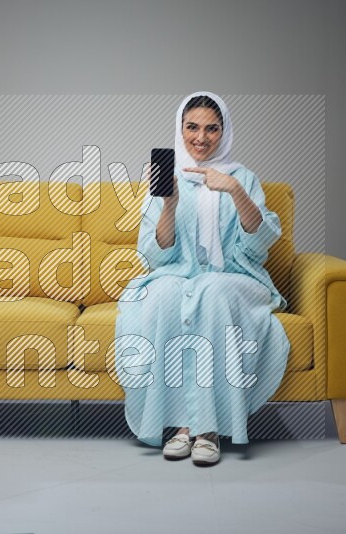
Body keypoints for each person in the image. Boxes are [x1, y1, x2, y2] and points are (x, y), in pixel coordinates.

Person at [114, 91, 291, 466]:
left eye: (212, 129)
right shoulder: (169, 178)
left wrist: (235, 191)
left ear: (224, 133)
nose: (201, 138)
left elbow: (258, 247)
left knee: (210, 290)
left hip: (235, 277)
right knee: (163, 294)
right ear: (180, 129)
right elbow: (157, 256)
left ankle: (207, 430)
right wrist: (170, 204)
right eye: (192, 127)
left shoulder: (242, 178)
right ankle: (181, 425)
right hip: (178, 274)